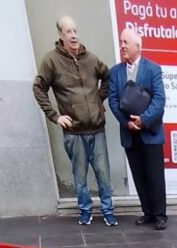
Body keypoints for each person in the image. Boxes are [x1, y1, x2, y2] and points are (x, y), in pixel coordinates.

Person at [32, 16, 116, 226]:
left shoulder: (91, 59)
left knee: (103, 174)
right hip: (74, 132)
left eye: (75, 31)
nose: (74, 36)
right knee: (80, 177)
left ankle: (108, 211)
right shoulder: (51, 60)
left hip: (97, 129)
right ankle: (85, 211)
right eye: (68, 31)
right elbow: (38, 88)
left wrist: (99, 99)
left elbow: (107, 77)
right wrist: (55, 116)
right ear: (60, 35)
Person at [109, 28, 168, 231]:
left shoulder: (153, 69)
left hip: (150, 133)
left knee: (155, 177)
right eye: (121, 42)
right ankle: (148, 213)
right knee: (139, 176)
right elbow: (113, 101)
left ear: (138, 46)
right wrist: (127, 123)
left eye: (126, 42)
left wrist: (143, 120)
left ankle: (160, 215)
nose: (122, 45)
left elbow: (160, 100)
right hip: (129, 135)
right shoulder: (115, 72)